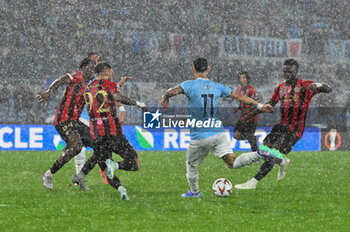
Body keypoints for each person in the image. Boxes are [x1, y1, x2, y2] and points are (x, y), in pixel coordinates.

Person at [161, 57, 273, 197]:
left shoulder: (189, 85)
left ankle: (195, 192)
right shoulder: (218, 87)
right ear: (208, 69)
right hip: (217, 133)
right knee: (232, 163)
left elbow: (173, 91)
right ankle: (259, 154)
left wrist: (165, 97)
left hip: (199, 135)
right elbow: (240, 97)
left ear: (193, 69)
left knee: (191, 165)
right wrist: (261, 106)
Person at [234, 58, 332, 190]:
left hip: (295, 130)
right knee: (264, 151)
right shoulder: (280, 87)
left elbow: (328, 88)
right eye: (285, 71)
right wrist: (248, 116)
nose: (287, 74)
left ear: (296, 71)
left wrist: (320, 86)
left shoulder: (305, 86)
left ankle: (253, 182)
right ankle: (282, 162)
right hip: (281, 126)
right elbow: (268, 105)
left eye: (290, 71)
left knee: (272, 154)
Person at [72, 62, 147, 200]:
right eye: (111, 72)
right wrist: (138, 104)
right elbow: (116, 96)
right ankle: (116, 166)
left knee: (105, 168)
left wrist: (118, 85)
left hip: (96, 134)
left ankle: (121, 190)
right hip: (112, 132)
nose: (111, 74)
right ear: (106, 71)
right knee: (135, 164)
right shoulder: (109, 85)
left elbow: (103, 95)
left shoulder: (88, 87)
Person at [37, 58, 96, 190]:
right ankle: (48, 174)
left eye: (94, 69)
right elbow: (61, 80)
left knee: (100, 146)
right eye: (90, 67)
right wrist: (48, 92)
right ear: (84, 67)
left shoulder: (90, 85)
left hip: (75, 121)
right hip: (63, 119)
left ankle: (80, 177)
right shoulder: (77, 76)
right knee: (77, 147)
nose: (92, 70)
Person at [232, 71, 259, 152]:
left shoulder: (251, 90)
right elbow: (243, 102)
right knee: (235, 135)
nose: (242, 80)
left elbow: (256, 102)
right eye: (240, 78)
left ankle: (256, 157)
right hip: (242, 117)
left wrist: (250, 109)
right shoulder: (239, 89)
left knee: (251, 140)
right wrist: (238, 108)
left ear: (247, 79)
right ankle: (253, 138)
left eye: (244, 78)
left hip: (251, 118)